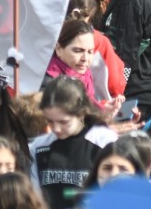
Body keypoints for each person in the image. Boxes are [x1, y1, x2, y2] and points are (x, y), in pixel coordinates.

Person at [29, 77, 119, 209]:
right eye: (50, 121)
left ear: (81, 113)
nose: (56, 129)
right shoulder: (39, 146)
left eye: (64, 122)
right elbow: (36, 196)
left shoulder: (105, 141)